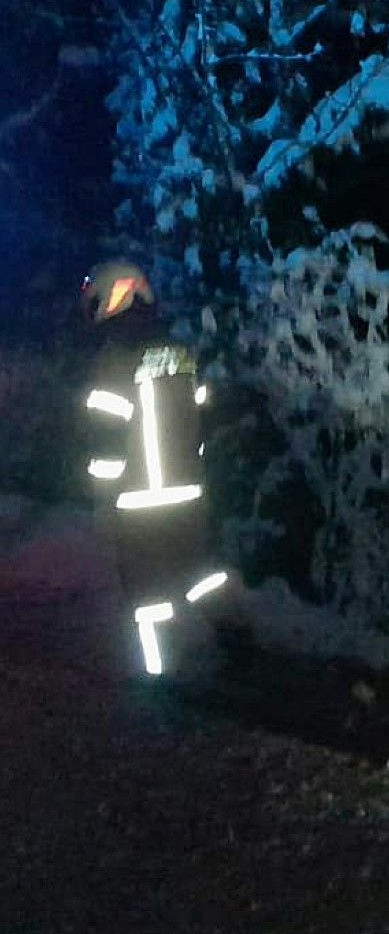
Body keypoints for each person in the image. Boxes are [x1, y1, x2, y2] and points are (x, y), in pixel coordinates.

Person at [78, 259, 232, 677]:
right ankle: (233, 637)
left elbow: (108, 448)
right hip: (189, 493)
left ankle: (161, 675)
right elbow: (203, 413)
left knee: (147, 595)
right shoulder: (179, 354)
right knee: (200, 573)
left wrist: (102, 503)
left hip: (137, 503)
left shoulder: (112, 366)